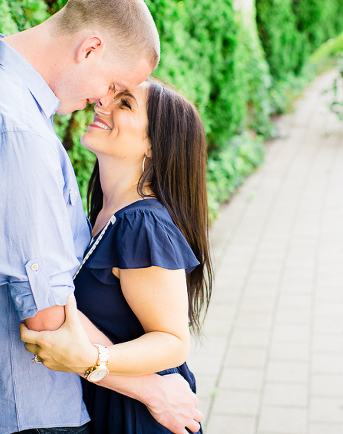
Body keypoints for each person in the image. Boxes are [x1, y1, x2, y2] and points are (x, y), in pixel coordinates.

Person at [0, 0, 202, 434]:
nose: (102, 100)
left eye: (121, 97)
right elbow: (48, 317)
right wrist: (151, 389)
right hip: (28, 407)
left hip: (35, 404)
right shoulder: (11, 127)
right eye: (113, 86)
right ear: (90, 49)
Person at [20, 78, 212, 434]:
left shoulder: (143, 224)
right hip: (112, 402)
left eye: (124, 103)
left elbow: (173, 342)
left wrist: (93, 359)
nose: (101, 103)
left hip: (139, 417)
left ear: (154, 144)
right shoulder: (106, 213)